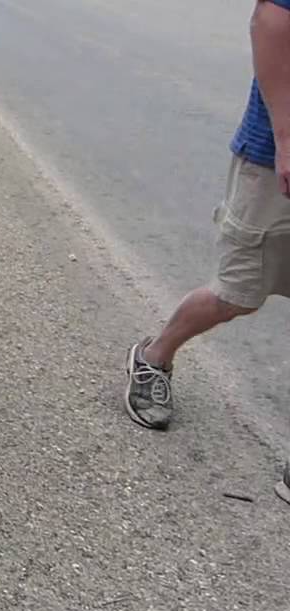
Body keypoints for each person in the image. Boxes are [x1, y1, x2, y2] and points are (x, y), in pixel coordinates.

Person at [125, 0, 290, 444]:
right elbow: (271, 20)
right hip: (276, 167)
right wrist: (286, 140)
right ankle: (154, 356)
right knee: (237, 294)